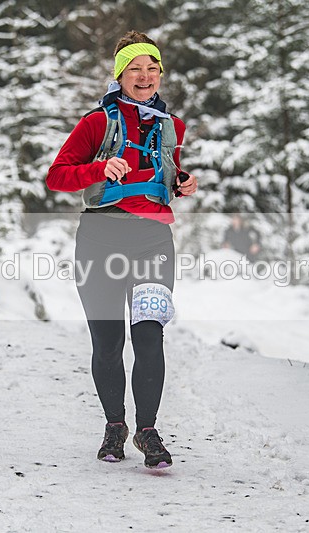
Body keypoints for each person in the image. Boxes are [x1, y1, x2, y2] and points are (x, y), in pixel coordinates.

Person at [46, 30, 197, 469]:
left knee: (149, 335)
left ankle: (148, 432)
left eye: (153, 68)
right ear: (120, 74)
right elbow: (58, 176)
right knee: (108, 342)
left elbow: (163, 174)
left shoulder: (173, 125)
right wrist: (99, 167)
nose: (146, 76)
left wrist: (182, 182)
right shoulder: (96, 123)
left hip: (153, 240)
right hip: (99, 240)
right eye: (136, 69)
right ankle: (116, 426)